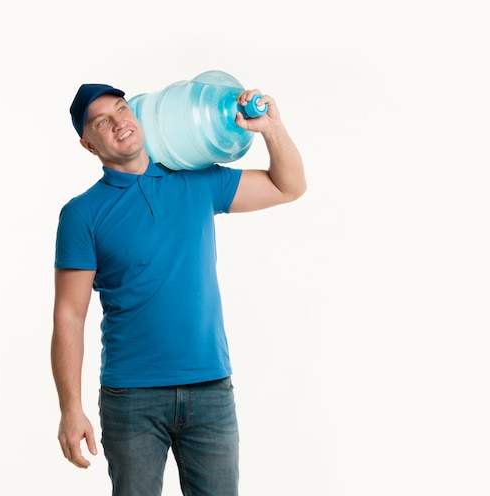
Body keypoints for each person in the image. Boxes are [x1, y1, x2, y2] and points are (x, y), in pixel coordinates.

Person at [51, 80, 306, 496]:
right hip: (131, 397)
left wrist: (271, 129)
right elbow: (69, 314)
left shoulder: (196, 180)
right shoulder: (82, 215)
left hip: (211, 390)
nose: (119, 123)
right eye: (102, 121)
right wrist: (70, 408)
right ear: (88, 144)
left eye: (121, 109)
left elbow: (288, 186)